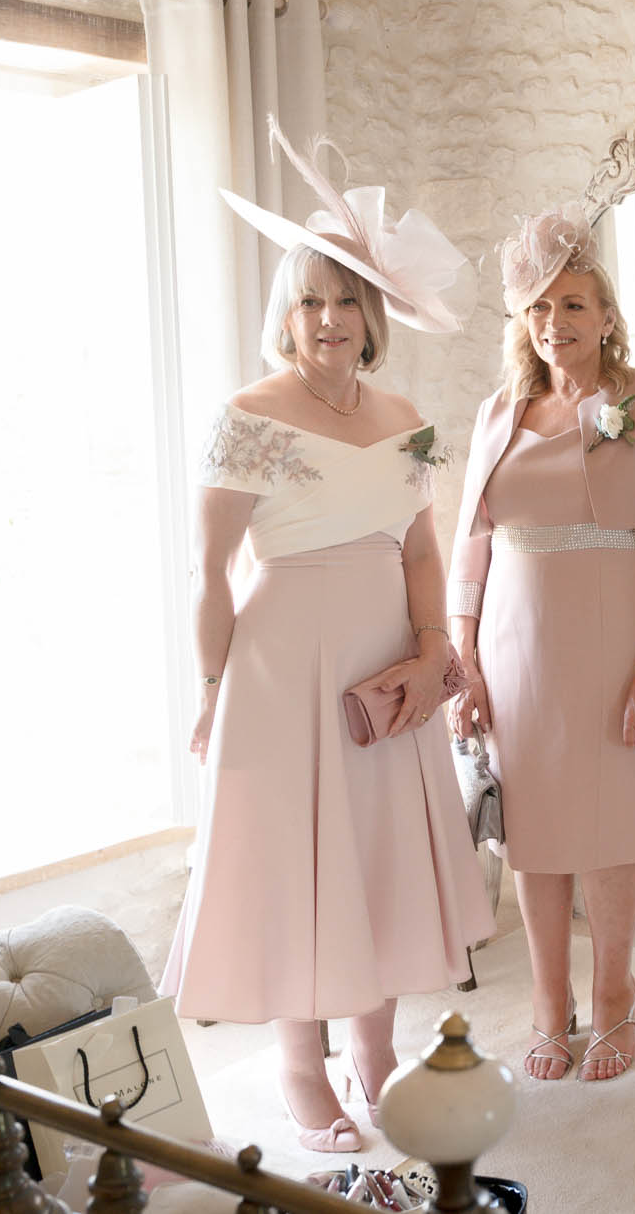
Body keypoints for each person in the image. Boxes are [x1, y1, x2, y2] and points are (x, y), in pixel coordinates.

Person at [165, 124, 492, 1153]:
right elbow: (210, 570)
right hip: (281, 672)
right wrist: (216, 688)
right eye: (309, 298)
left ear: (372, 312)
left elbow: (423, 550)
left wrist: (432, 648)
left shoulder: (405, 415)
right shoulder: (249, 414)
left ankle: (376, 1058)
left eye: (346, 297)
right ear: (286, 314)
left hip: (386, 667)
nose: (328, 318)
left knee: (379, 855)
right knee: (301, 863)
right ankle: (304, 1073)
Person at [447, 208, 635, 1082]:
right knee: (537, 837)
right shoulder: (497, 414)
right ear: (525, 320)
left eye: (576, 304)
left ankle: (614, 998)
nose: (558, 323)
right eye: (541, 308)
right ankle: (548, 1009)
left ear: (606, 314)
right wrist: (464, 661)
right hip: (518, 657)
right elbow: (469, 548)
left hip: (617, 651)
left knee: (611, 834)